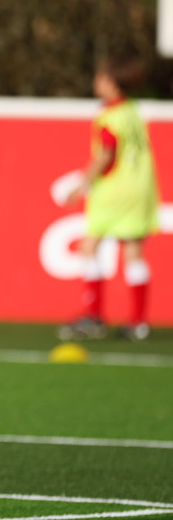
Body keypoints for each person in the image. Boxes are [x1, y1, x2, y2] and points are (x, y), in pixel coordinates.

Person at [59, 54, 160, 341]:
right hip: (140, 189)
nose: (96, 82)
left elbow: (106, 154)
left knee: (89, 246)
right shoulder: (133, 112)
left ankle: (93, 316)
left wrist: (81, 185)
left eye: (100, 77)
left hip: (114, 191)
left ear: (111, 82)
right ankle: (138, 323)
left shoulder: (108, 116)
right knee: (133, 252)